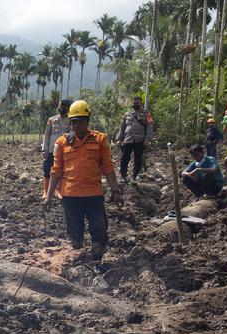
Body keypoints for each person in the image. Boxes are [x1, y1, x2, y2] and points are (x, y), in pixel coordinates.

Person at [43, 99, 123, 262]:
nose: (76, 126)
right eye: (73, 122)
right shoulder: (62, 142)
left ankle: (97, 261)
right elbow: (56, 171)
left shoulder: (99, 140)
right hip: (70, 196)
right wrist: (49, 195)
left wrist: (116, 191)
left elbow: (108, 167)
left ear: (87, 121)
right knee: (74, 234)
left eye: (80, 122)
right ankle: (77, 263)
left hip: (94, 195)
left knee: (99, 231)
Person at [115, 95, 154, 184]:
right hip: (128, 139)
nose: (135, 103)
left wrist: (147, 139)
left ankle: (134, 178)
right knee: (124, 158)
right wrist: (119, 139)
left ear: (141, 103)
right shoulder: (127, 114)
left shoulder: (146, 114)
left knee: (138, 159)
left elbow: (150, 126)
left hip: (140, 140)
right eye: (134, 102)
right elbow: (122, 127)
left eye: (137, 102)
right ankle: (123, 177)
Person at [41, 99, 72, 198]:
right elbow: (47, 135)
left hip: (64, 150)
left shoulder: (71, 121)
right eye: (62, 106)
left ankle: (58, 191)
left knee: (62, 171)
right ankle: (45, 192)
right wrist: (44, 149)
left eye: (65, 107)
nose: (63, 108)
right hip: (50, 150)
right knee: (47, 171)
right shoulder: (52, 119)